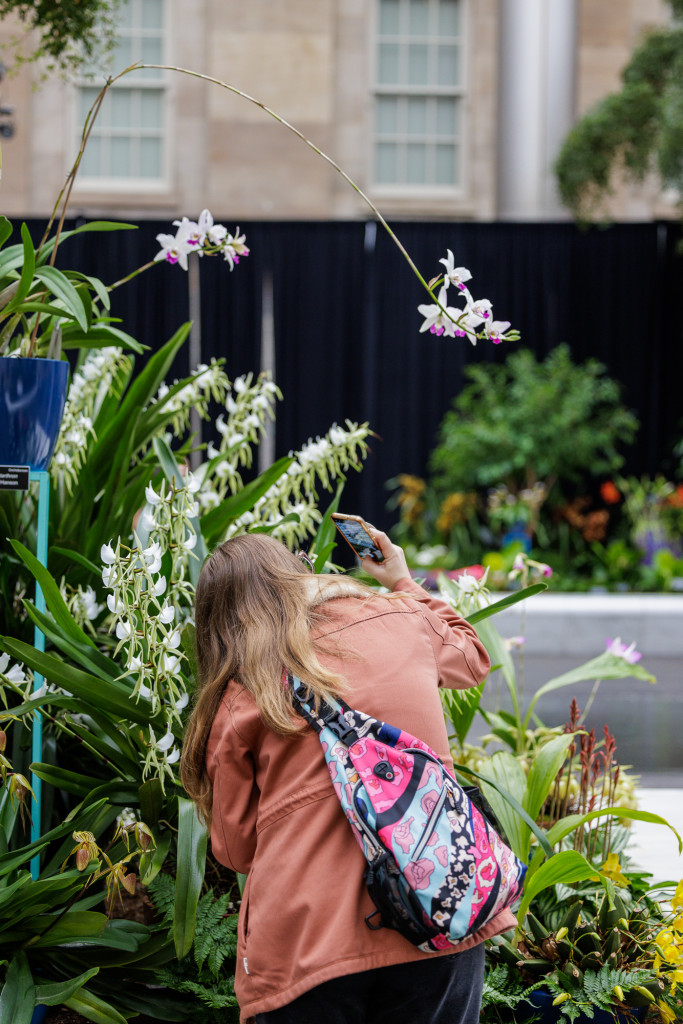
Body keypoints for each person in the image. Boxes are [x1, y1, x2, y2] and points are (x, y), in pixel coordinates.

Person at [181, 528, 515, 1024]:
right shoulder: (401, 620)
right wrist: (401, 579)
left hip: (307, 943)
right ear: (295, 571)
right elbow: (471, 657)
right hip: (438, 909)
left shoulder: (239, 694)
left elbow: (237, 850)